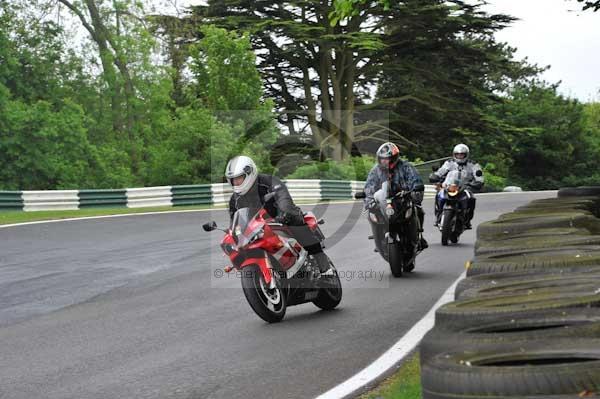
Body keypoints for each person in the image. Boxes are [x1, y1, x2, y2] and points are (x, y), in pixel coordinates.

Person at [225, 155, 332, 274]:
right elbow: (235, 220)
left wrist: (285, 213)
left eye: (238, 178)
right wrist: (233, 233)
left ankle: (323, 263)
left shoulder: (269, 182)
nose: (235, 182)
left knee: (294, 220)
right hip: (259, 228)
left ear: (249, 172)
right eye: (233, 180)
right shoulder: (235, 200)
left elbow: (284, 198)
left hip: (281, 218)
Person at [364, 142, 428, 250]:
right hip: (383, 200)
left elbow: (415, 180)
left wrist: (415, 189)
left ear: (394, 158)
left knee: (418, 209)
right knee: (371, 213)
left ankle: (419, 236)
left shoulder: (406, 167)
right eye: (382, 158)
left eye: (387, 158)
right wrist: (369, 200)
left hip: (402, 198)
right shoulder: (376, 170)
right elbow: (369, 186)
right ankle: (378, 238)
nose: (384, 161)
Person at [430, 143, 484, 229]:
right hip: (449, 186)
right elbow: (441, 171)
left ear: (466, 155)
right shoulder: (449, 162)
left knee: (471, 198)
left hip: (465, 187)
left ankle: (467, 220)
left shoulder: (473, 164)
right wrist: (435, 176)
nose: (459, 156)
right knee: (439, 195)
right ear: (454, 154)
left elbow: (479, 176)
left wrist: (478, 182)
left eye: (462, 154)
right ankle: (438, 215)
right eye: (457, 154)